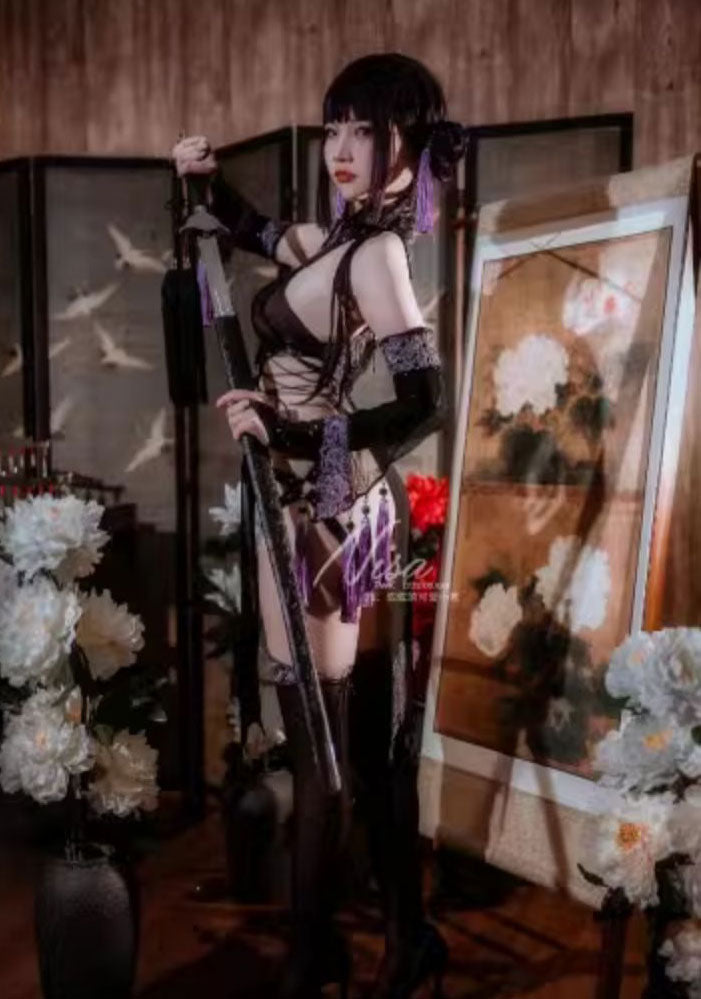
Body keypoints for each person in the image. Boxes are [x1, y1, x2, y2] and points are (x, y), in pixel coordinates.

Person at [173, 52, 463, 999]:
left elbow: (424, 402)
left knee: (324, 757)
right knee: (360, 747)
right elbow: (257, 231)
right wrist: (205, 183)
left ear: (406, 144)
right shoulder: (338, 240)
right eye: (333, 125)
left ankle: (309, 966)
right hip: (331, 494)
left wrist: (289, 428)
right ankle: (404, 937)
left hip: (326, 503)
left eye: (364, 130)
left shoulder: (377, 256)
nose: (340, 147)